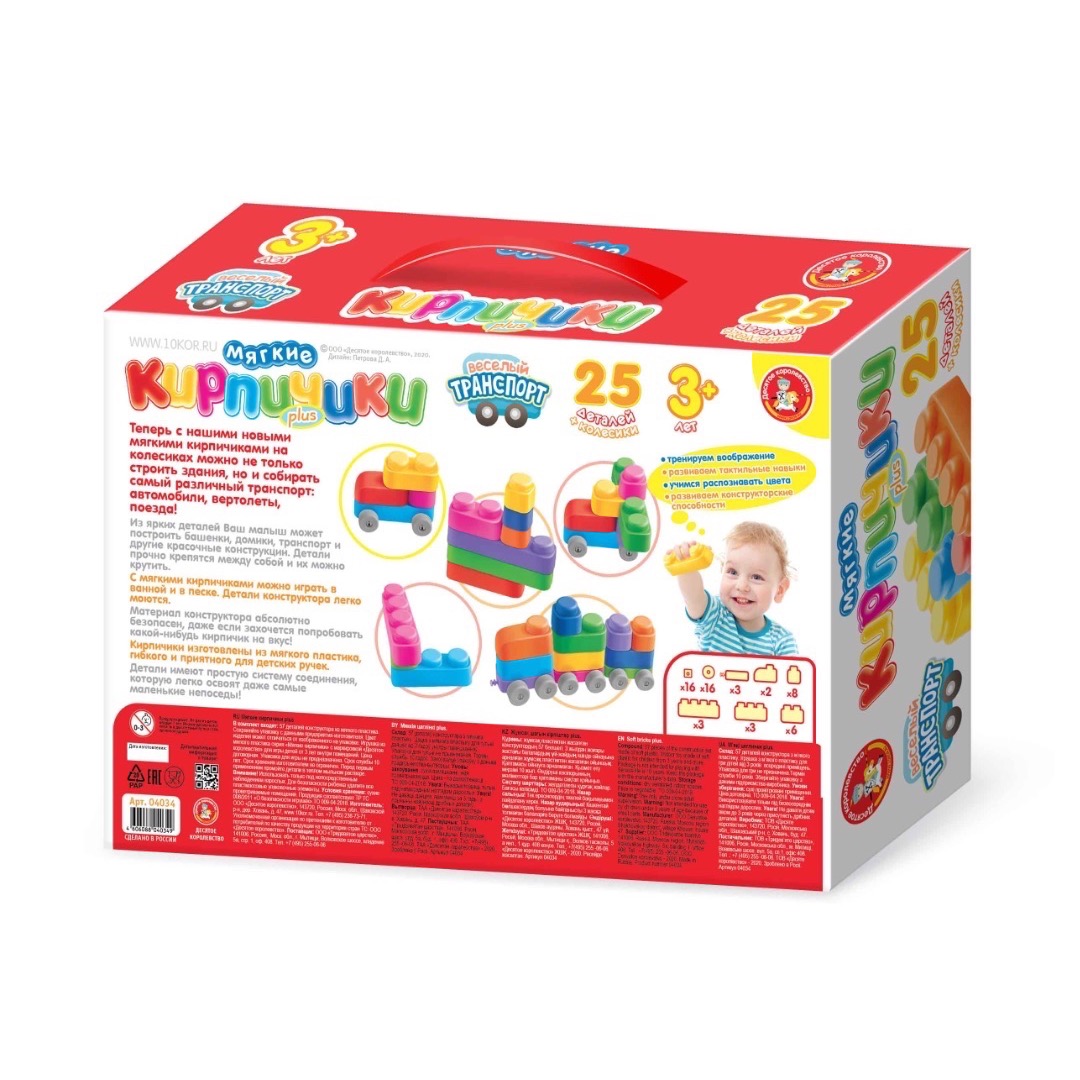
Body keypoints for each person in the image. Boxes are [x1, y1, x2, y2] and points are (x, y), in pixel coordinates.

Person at [670, 521, 798, 656]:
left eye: (756, 577)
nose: (741, 586)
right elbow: (694, 598)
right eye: (733, 572)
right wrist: (686, 568)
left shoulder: (782, 641)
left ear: (780, 590)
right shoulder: (715, 616)